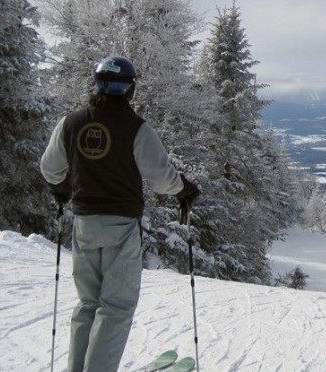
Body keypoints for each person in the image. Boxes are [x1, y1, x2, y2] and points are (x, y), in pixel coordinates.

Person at [40, 56, 199, 372]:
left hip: (83, 224)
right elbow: (161, 177)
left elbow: (50, 168)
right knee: (116, 307)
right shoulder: (135, 128)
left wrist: (61, 188)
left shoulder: (70, 123)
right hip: (121, 226)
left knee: (88, 304)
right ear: (131, 89)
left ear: (96, 84)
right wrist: (185, 190)